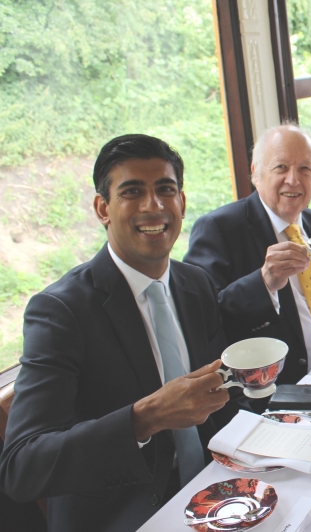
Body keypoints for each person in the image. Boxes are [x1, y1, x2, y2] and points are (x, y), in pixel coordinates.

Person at [0, 134, 233, 532]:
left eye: (165, 189)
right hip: (121, 512)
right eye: (132, 191)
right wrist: (144, 418)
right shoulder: (60, 311)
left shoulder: (196, 284)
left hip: (211, 491)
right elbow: (23, 466)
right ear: (102, 208)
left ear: (183, 202)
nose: (153, 205)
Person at [184, 124, 311, 386]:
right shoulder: (219, 229)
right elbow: (203, 320)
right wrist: (264, 283)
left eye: (305, 169)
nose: (293, 179)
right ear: (256, 174)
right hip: (284, 387)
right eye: (281, 167)